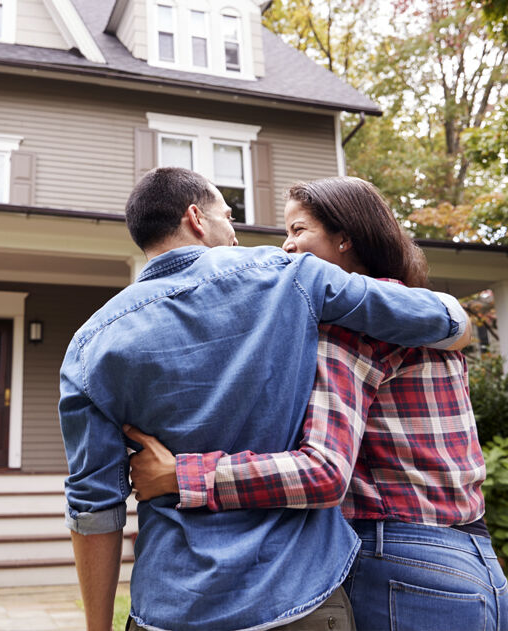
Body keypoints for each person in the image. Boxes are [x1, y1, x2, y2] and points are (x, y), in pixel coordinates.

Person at [60, 167, 473, 631]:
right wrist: (457, 320)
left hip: (171, 605)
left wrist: (98, 626)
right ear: (197, 219)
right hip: (296, 598)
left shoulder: (88, 345)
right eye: (228, 216)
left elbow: (93, 507)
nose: (236, 235)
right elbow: (439, 319)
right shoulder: (291, 277)